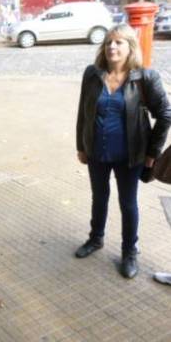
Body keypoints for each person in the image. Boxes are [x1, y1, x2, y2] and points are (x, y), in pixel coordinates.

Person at [75, 24, 171, 278]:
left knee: (127, 204)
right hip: (97, 152)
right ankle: (96, 239)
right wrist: (81, 146)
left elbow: (165, 115)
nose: (112, 47)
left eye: (118, 42)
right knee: (99, 197)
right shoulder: (92, 74)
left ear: (130, 47)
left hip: (130, 156)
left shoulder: (144, 78)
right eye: (108, 42)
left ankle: (129, 251)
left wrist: (152, 152)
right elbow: (83, 113)